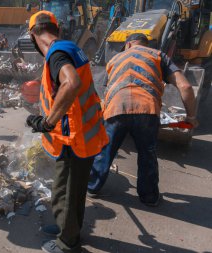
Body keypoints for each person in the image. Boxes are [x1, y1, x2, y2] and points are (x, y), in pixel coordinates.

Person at [26, 11, 109, 253]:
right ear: (56, 29)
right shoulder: (68, 48)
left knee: (70, 193)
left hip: (76, 139)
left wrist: (47, 123)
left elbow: (71, 83)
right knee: (63, 189)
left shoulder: (57, 53)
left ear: (33, 35)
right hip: (75, 136)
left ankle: (67, 241)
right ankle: (65, 226)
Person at [87, 33, 198, 207]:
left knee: (105, 149)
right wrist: (191, 117)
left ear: (128, 44)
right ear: (146, 44)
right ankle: (149, 197)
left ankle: (93, 187)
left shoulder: (116, 59)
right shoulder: (158, 56)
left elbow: (108, 89)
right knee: (147, 154)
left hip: (116, 107)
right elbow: (185, 86)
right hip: (147, 109)